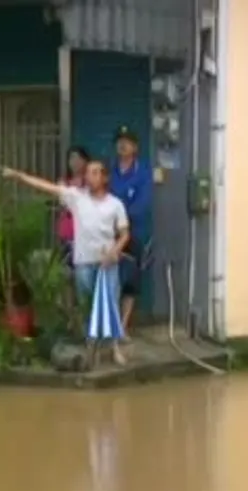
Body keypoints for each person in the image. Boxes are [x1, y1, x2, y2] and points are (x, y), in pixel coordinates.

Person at [1, 160, 130, 365]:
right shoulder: (75, 197)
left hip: (107, 262)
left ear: (105, 178)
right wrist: (19, 176)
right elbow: (46, 186)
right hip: (84, 262)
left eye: (96, 173)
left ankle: (114, 348)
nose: (91, 176)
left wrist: (115, 251)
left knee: (110, 305)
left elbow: (124, 234)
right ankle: (92, 347)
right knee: (87, 305)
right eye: (88, 173)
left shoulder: (115, 204)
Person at [108, 126, 153, 337]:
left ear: (135, 147)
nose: (122, 144)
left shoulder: (143, 173)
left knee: (130, 280)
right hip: (108, 233)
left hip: (134, 232)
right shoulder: (109, 171)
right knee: (110, 277)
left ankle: (122, 327)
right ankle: (108, 323)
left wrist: (121, 220)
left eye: (127, 141)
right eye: (119, 141)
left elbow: (142, 204)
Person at [57, 146, 90, 267]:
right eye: (71, 159)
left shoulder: (92, 182)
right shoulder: (63, 182)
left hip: (85, 234)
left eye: (78, 158)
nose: (74, 162)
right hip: (67, 231)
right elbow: (64, 202)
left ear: (86, 161)